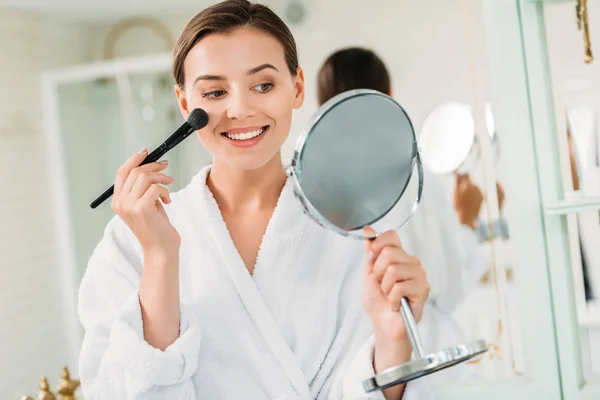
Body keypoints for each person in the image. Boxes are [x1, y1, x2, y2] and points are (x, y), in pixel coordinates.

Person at [77, 2, 433, 399]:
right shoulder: (129, 244)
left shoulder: (351, 226)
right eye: (214, 92)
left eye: (263, 85)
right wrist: (160, 256)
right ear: (183, 104)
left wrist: (391, 338)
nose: (240, 109)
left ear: (296, 87)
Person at [317, 47, 488, 377]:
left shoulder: (314, 192)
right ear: (390, 97)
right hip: (424, 360)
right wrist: (468, 222)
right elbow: (451, 286)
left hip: (352, 372)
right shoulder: (416, 178)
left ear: (323, 109)